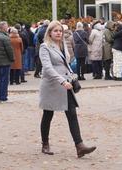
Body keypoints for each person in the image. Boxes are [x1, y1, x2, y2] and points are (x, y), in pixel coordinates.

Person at [39, 21, 96, 158]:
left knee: (72, 114)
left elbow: (66, 63)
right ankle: (45, 143)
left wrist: (72, 75)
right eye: (55, 31)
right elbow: (47, 68)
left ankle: (79, 146)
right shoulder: (45, 47)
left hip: (66, 84)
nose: (58, 33)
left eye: (60, 31)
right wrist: (62, 80)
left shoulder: (63, 45)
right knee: (48, 114)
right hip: (52, 85)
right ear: (50, 33)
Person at [0, 21, 14, 103]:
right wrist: (12, 59)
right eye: (6, 26)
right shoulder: (5, 38)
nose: (8, 27)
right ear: (3, 28)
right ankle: (3, 97)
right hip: (5, 61)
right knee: (4, 80)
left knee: (0, 80)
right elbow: (9, 50)